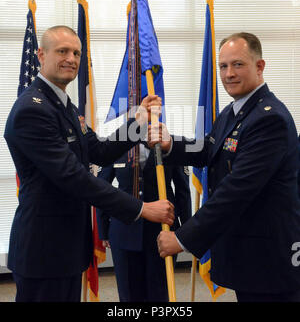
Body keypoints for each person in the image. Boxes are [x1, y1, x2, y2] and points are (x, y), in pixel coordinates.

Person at [4, 25, 174, 302]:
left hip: (66, 246)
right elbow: (74, 178)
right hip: (43, 249)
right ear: (41, 55)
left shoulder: (63, 105)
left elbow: (99, 151)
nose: (71, 58)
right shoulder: (33, 110)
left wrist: (139, 120)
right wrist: (141, 208)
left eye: (76, 53)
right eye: (62, 51)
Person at [152, 32, 300, 302]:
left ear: (260, 66)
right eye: (223, 66)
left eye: (238, 64)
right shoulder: (236, 110)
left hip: (269, 258)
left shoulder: (269, 119)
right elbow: (211, 148)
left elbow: (236, 191)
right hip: (248, 251)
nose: (229, 73)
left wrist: (183, 238)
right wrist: (169, 143)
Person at [96, 142, 192, 302]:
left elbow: (183, 189)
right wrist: (103, 229)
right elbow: (102, 188)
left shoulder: (168, 144)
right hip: (124, 231)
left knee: (159, 293)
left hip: (162, 232)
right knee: (129, 295)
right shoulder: (115, 144)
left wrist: (186, 231)